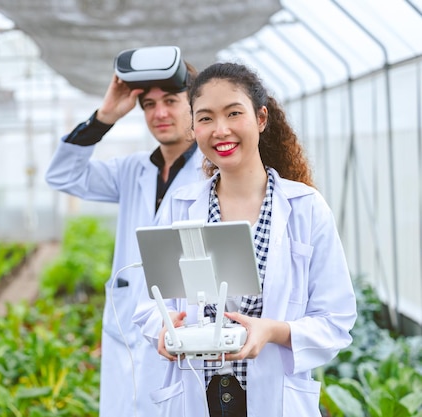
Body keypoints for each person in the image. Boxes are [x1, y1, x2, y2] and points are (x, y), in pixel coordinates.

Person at [133, 62, 357, 416]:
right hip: (195, 395)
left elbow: (336, 320)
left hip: (275, 398)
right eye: (205, 118)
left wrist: (271, 331)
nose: (220, 130)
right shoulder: (180, 205)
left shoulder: (305, 209)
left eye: (233, 113)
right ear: (193, 127)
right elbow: (145, 303)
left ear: (261, 118)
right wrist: (161, 328)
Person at [45, 50, 203, 416]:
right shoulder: (133, 171)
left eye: (170, 101)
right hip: (127, 330)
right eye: (148, 104)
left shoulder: (213, 172)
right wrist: (105, 117)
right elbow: (62, 176)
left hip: (182, 330)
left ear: (194, 106)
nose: (159, 113)